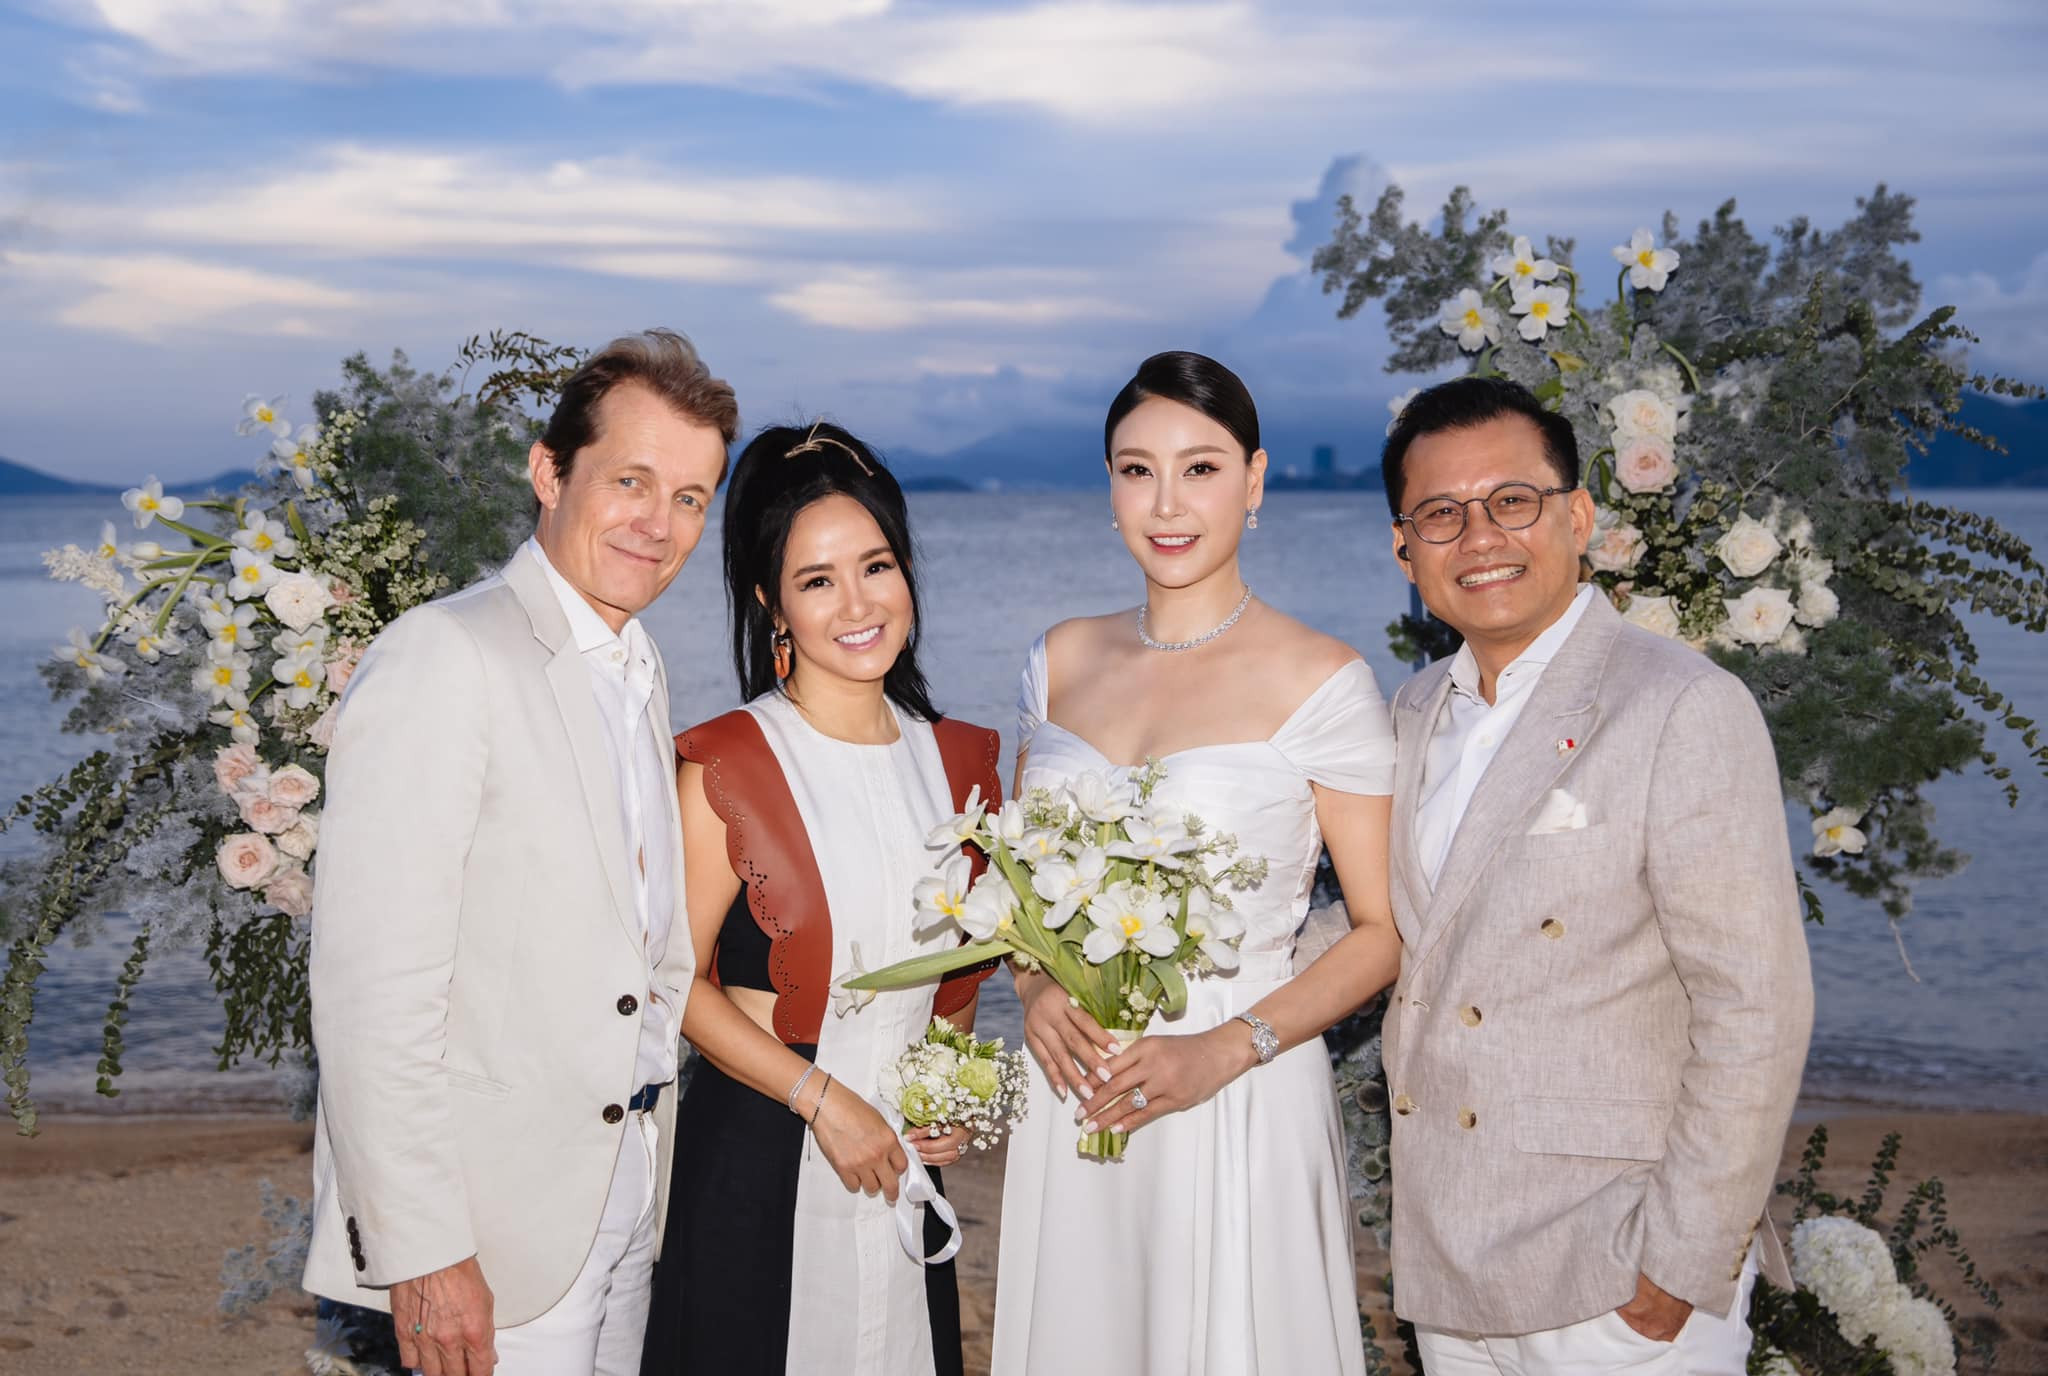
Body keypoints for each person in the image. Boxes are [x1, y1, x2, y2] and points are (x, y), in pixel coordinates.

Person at [303, 330, 738, 1376]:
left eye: (689, 496)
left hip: (624, 1183)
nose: (659, 522)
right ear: (548, 473)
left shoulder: (636, 668)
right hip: (497, 1222)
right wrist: (423, 1249)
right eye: (629, 480)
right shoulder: (445, 653)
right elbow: (371, 989)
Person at [1376, 375, 1814, 1374]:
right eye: (1440, 514)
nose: (1478, 536)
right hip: (1450, 1257)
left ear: (1577, 517)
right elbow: (1389, 927)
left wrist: (1678, 1263)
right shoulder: (1410, 713)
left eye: (1511, 500)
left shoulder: (1679, 704)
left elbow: (1755, 1003)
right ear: (1404, 550)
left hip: (1614, 1271)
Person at [991, 352, 1401, 1376]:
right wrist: (1035, 986)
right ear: (1110, 486)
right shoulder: (1057, 660)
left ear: (1254, 480)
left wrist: (1225, 1047)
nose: (1166, 503)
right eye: (1137, 470)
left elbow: (1380, 931)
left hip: (1235, 1089)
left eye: (1201, 468)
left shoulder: (1323, 678)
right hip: (1075, 1078)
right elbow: (1018, 888)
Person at [638, 422, 999, 1376]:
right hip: (760, 1153)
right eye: (817, 580)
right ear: (772, 604)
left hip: (900, 1169)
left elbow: (958, 980)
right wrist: (822, 1098)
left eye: (875, 566)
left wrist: (950, 1096)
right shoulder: (727, 764)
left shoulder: (962, 762)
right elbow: (668, 979)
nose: (858, 604)